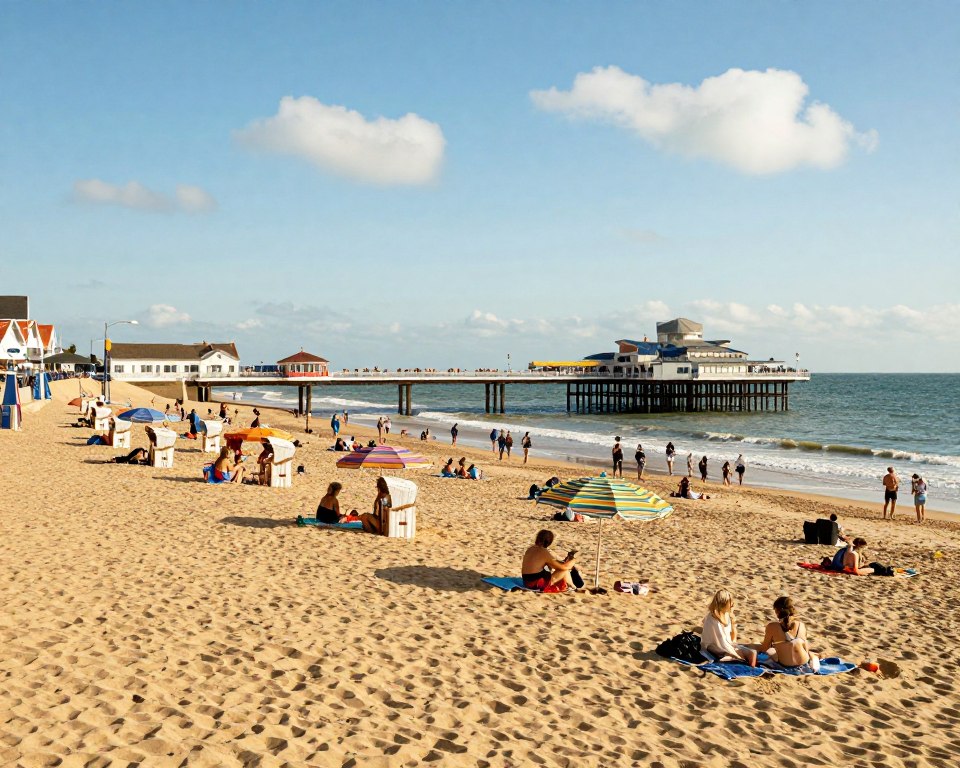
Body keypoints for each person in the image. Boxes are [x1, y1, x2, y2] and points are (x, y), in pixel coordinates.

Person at [749, 596, 820, 670]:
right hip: (805, 663)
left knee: (770, 651)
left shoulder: (772, 626)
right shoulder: (801, 625)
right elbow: (806, 649)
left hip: (787, 665)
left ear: (777, 611)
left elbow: (764, 649)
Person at [700, 589, 757, 666]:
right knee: (738, 656)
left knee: (752, 653)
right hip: (715, 648)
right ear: (724, 603)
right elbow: (720, 642)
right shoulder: (713, 620)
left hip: (727, 645)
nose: (732, 605)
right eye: (730, 602)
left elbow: (731, 638)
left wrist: (735, 646)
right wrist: (735, 653)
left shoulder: (726, 615)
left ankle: (752, 669)